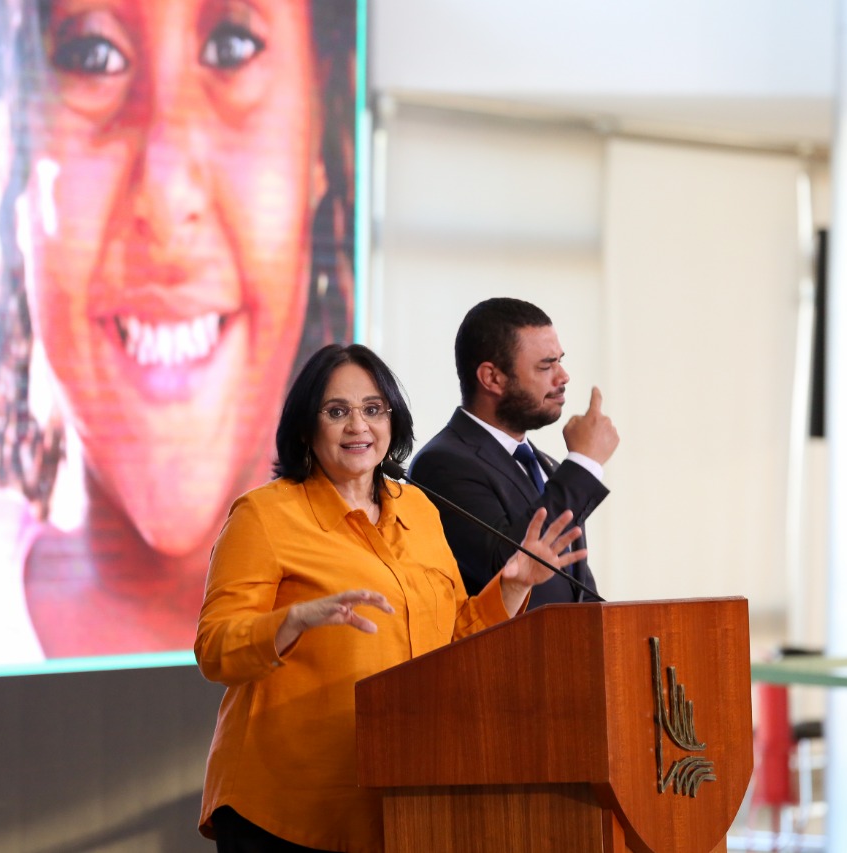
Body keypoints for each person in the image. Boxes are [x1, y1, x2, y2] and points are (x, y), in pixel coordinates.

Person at [0, 0, 357, 660]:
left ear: (318, 131)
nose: (167, 196)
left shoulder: (388, 616)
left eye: (231, 47)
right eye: (93, 55)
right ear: (15, 154)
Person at [195, 343, 587, 852]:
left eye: (373, 410)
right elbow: (215, 648)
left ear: (392, 421)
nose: (359, 426)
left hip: (401, 796)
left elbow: (451, 642)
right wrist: (292, 620)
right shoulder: (264, 516)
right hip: (287, 810)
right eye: (337, 412)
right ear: (305, 430)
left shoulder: (420, 508)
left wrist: (514, 583)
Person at [408, 297, 619, 607]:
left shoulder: (545, 464)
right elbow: (506, 567)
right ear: (492, 378)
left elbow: (576, 588)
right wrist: (584, 464)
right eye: (547, 365)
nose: (563, 377)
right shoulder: (442, 463)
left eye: (559, 360)